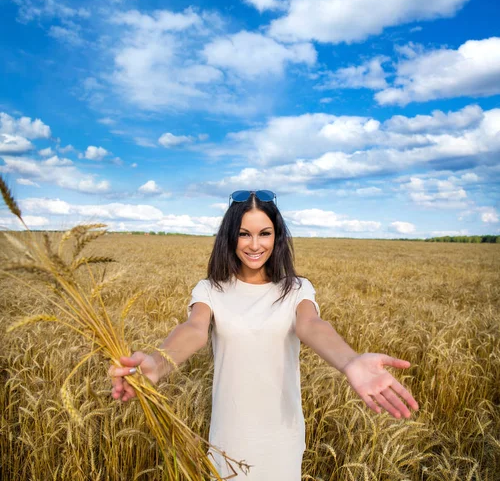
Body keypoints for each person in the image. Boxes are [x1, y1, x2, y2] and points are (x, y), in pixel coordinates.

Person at [109, 190, 419, 480]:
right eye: (244, 234)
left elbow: (311, 325)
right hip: (230, 435)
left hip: (282, 436)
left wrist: (350, 361)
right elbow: (193, 331)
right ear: (230, 237)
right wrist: (155, 363)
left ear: (277, 236)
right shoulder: (211, 290)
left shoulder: (297, 289)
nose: (254, 245)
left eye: (264, 233)